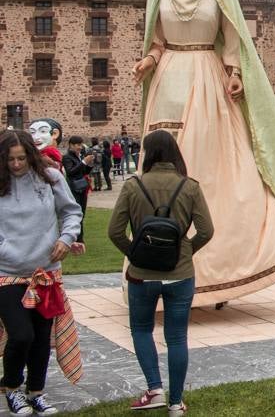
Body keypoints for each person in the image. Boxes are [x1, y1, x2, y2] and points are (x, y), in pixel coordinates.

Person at [131, 0, 275, 306]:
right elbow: (157, 40)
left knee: (215, 172)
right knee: (163, 169)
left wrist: (234, 74)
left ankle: (223, 271)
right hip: (167, 81)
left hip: (208, 80)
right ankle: (156, 261)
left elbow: (232, 41)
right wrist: (148, 59)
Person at [107, 130, 214, 416]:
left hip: (143, 274)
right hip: (179, 273)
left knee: (141, 330)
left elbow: (115, 231)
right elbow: (206, 231)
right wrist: (186, 250)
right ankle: (176, 402)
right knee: (177, 337)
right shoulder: (189, 187)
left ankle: (154, 388)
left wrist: (134, 253)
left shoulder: (133, 186)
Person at [0, 130, 83, 416]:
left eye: (22, 158)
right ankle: (11, 387)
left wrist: (66, 238)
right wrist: (5, 250)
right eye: (10, 159)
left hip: (45, 272)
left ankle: (36, 392)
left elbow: (71, 212)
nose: (16, 164)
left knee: (40, 336)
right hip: (7, 272)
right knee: (20, 334)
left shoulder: (50, 178)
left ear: (31, 156)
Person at [61, 136, 94, 253]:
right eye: (77, 145)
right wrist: (84, 162)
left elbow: (82, 172)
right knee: (76, 214)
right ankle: (77, 239)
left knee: (82, 214)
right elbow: (70, 172)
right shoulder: (67, 157)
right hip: (74, 189)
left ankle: (79, 238)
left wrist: (89, 164)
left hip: (81, 188)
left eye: (81, 144)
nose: (80, 147)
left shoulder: (77, 157)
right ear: (71, 145)